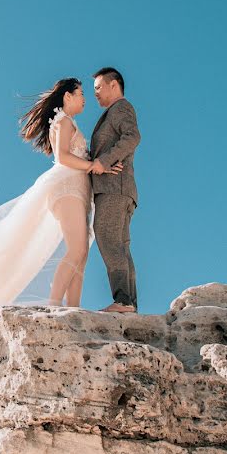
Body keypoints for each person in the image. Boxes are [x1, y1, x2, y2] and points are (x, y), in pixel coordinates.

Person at [0, 77, 123, 309]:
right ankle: (55, 304)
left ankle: (73, 307)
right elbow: (64, 157)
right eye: (81, 94)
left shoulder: (68, 123)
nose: (85, 99)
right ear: (67, 96)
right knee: (77, 248)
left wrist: (102, 165)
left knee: (82, 251)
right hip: (67, 188)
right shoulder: (63, 121)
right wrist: (92, 165)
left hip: (78, 189)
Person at [89, 67, 142, 313]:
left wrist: (104, 161)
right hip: (122, 189)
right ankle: (129, 304)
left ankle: (123, 301)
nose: (95, 94)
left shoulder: (120, 108)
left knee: (108, 237)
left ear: (114, 85)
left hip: (115, 187)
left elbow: (132, 136)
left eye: (98, 87)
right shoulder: (114, 111)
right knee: (120, 245)